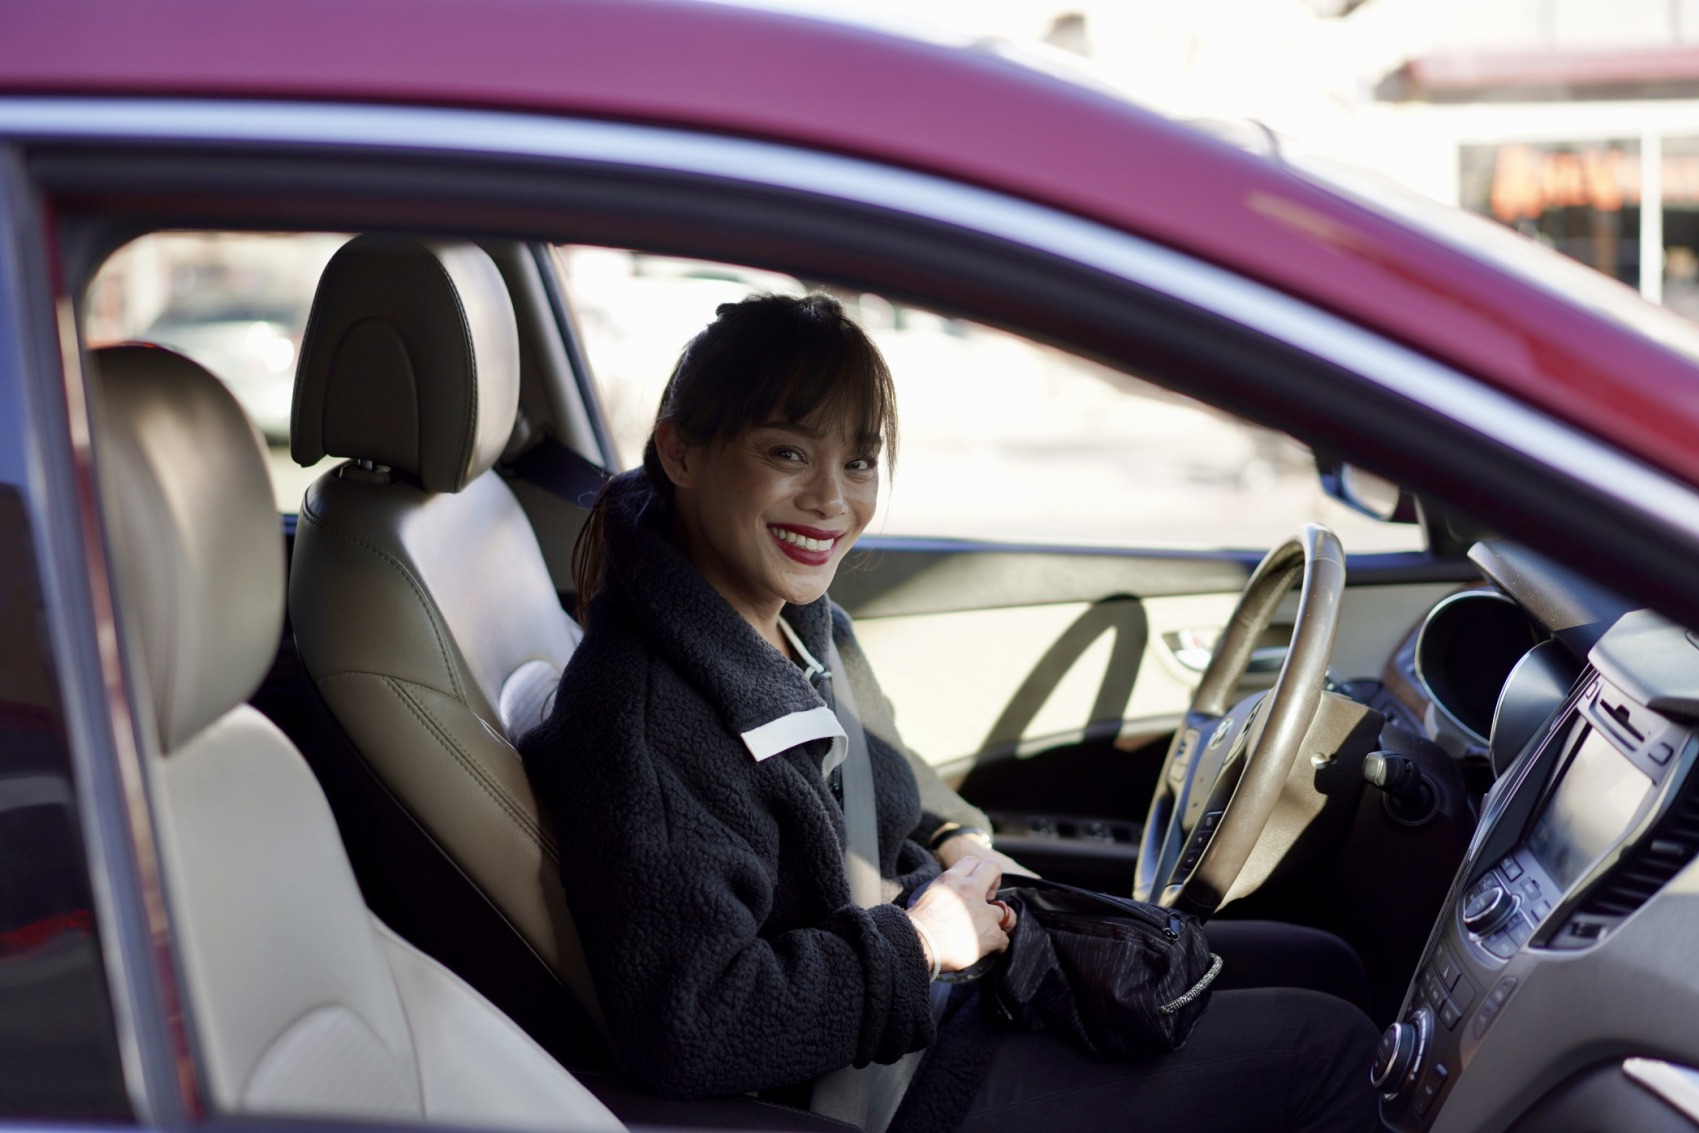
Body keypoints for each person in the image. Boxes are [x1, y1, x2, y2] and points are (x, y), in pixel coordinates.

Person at [519, 294, 1379, 1133]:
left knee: (1329, 964)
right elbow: (694, 1023)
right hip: (883, 1084)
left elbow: (885, 774)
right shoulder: (642, 718)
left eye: (857, 463)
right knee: (1333, 1050)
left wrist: (955, 840)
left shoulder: (795, 623)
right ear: (679, 451)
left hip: (934, 989)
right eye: (787, 453)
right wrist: (919, 945)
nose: (832, 501)